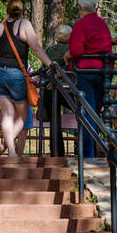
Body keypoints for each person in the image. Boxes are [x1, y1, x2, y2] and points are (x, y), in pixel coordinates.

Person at [0, 0, 51, 159]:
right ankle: (7, 147)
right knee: (23, 116)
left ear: (7, 11)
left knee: (7, 115)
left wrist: (5, 21)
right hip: (16, 73)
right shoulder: (24, 25)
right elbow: (35, 47)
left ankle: (10, 151)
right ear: (21, 11)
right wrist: (50, 63)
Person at [66, 0, 113, 160]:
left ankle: (87, 155)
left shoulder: (81, 24)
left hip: (84, 73)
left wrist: (68, 55)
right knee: (95, 113)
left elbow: (77, 50)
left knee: (87, 114)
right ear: (95, 6)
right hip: (102, 73)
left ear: (80, 6)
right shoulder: (102, 24)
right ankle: (94, 150)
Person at [38, 23, 72, 156]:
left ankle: (56, 153)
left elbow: (44, 68)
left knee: (54, 121)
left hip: (50, 88)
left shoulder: (50, 50)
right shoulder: (70, 49)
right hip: (68, 89)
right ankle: (84, 149)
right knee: (81, 115)